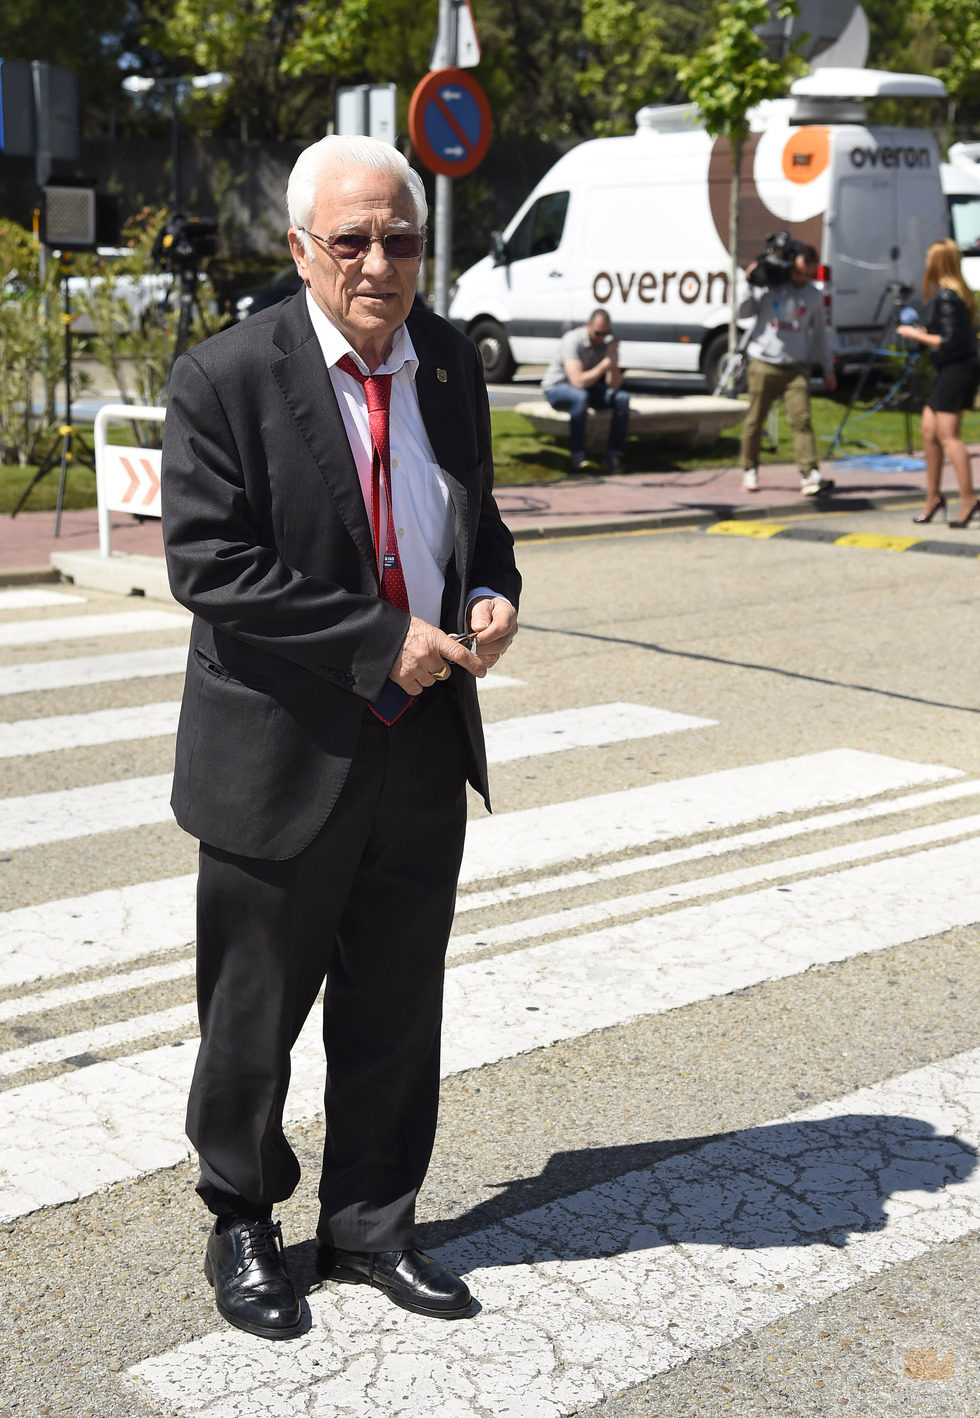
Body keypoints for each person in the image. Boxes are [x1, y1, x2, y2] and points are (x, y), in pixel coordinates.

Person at [160, 134, 521, 1340]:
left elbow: (476, 515)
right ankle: (244, 1216)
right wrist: (381, 639)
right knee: (253, 1009)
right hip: (281, 746)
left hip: (419, 738)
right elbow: (210, 564)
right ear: (301, 247)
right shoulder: (226, 375)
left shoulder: (447, 361)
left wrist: (486, 589)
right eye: (351, 239)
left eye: (400, 238)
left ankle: (371, 1221)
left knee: (396, 999)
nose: (378, 261)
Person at [738, 244, 837, 495]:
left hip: (795, 367)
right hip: (763, 362)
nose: (802, 279)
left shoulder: (814, 296)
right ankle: (749, 468)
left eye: (808, 274)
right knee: (755, 421)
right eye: (798, 273)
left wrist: (827, 366)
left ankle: (809, 473)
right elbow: (743, 311)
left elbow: (820, 335)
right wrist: (749, 282)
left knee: (802, 420)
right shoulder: (771, 286)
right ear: (790, 266)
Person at [896, 237, 980, 528]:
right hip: (954, 367)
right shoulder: (958, 293)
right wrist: (925, 331)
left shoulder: (946, 295)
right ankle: (933, 497)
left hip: (957, 369)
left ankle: (968, 498)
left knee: (948, 434)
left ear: (938, 262)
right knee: (929, 430)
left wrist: (913, 334)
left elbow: (947, 340)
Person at [541, 308, 630, 471]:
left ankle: (613, 456)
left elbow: (614, 386)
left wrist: (612, 359)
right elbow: (578, 382)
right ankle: (577, 455)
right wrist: (604, 364)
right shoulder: (572, 340)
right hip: (557, 387)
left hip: (588, 387)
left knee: (622, 398)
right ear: (588, 326)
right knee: (580, 397)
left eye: (606, 333)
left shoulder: (606, 344)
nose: (601, 338)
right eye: (598, 333)